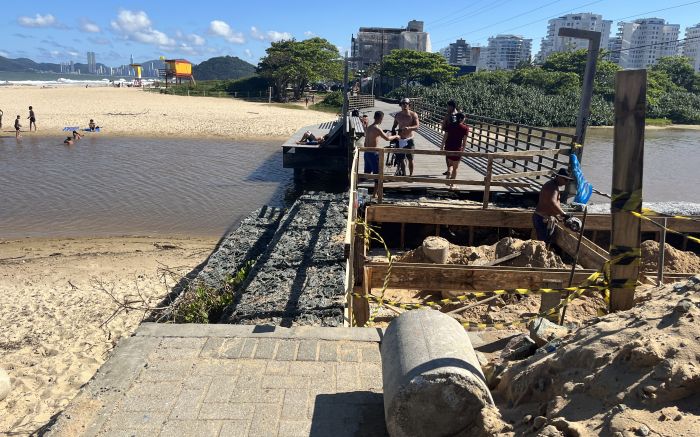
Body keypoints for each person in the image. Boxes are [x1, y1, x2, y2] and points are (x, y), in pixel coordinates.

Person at [533, 168, 575, 244]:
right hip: (542, 219)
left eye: (567, 180)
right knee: (542, 243)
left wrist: (557, 217)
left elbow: (549, 205)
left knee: (544, 242)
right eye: (565, 180)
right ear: (558, 177)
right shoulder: (552, 187)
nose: (566, 182)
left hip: (541, 217)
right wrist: (564, 214)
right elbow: (552, 203)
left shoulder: (552, 185)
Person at [364, 111, 400, 193]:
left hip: (367, 153)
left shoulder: (369, 128)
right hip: (374, 154)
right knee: (378, 175)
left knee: (366, 174)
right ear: (381, 119)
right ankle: (375, 195)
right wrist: (396, 136)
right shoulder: (377, 128)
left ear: (374, 117)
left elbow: (365, 142)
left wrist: (386, 134)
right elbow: (387, 139)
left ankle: (353, 187)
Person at [391, 98, 420, 176]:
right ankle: (404, 174)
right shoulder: (398, 115)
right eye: (403, 104)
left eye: (406, 104)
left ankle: (411, 175)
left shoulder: (413, 114)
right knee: (401, 159)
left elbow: (417, 126)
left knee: (410, 159)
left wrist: (409, 128)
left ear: (409, 105)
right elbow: (394, 125)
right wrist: (393, 131)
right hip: (400, 139)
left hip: (409, 139)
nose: (404, 105)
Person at [441, 112, 469, 188]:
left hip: (448, 147)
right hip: (457, 149)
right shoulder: (465, 128)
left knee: (450, 164)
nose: (464, 120)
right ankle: (452, 185)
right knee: (455, 168)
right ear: (461, 119)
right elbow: (464, 141)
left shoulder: (450, 125)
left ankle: (448, 175)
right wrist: (463, 150)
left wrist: (442, 145)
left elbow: (445, 136)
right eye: (464, 118)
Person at [441, 100, 458, 175]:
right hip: (457, 139)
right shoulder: (459, 115)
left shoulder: (452, 115)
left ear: (451, 107)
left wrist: (442, 143)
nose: (447, 108)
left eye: (448, 106)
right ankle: (450, 170)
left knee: (448, 155)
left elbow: (449, 129)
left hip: (450, 138)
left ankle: (450, 170)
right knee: (452, 155)